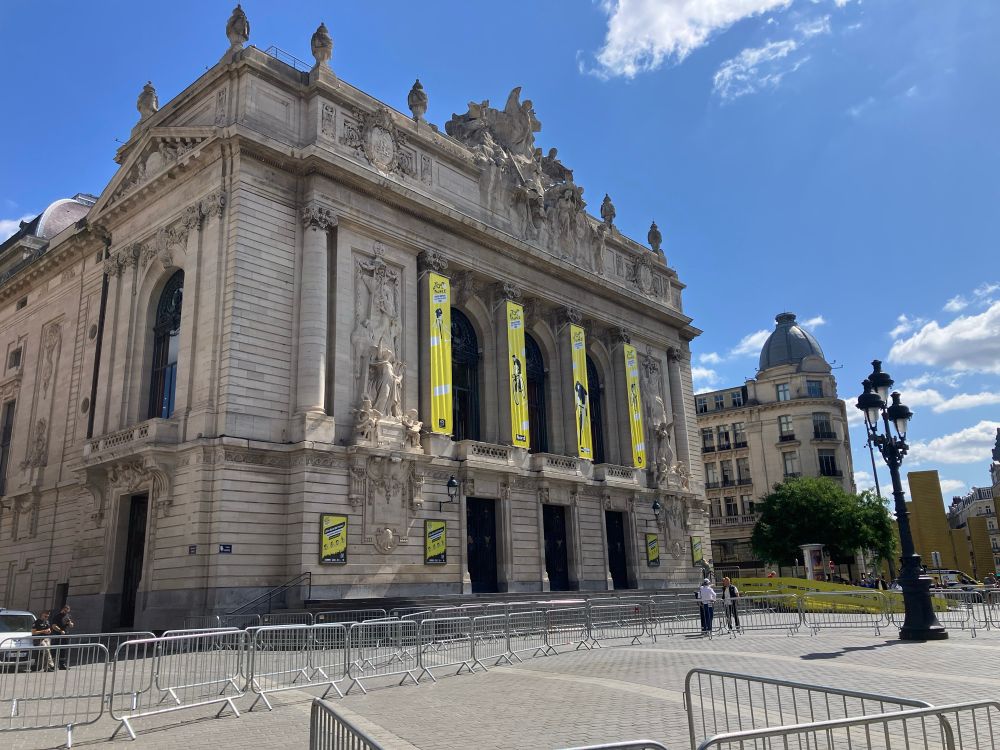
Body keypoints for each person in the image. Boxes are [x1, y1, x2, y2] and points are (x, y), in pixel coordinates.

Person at [50, 604, 75, 669]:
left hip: (65, 635)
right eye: (65, 610)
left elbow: (71, 625)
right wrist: (60, 630)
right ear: (62, 609)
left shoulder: (68, 616)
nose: (66, 612)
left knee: (63, 649)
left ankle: (62, 664)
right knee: (55, 649)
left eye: (67, 610)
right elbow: (54, 626)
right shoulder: (57, 616)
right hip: (57, 635)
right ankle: (52, 665)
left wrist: (70, 624)